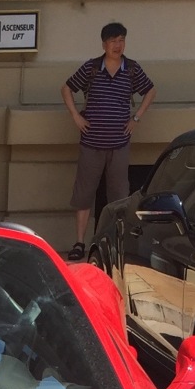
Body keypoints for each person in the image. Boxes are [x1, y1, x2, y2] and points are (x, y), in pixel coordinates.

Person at [62, 22, 156, 261]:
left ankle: (116, 243)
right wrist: (75, 116)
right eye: (114, 41)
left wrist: (136, 118)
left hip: (119, 142)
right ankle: (79, 242)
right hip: (91, 142)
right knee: (84, 194)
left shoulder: (132, 69)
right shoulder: (92, 68)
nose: (118, 45)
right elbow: (66, 88)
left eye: (122, 40)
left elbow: (150, 90)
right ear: (104, 44)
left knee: (119, 196)